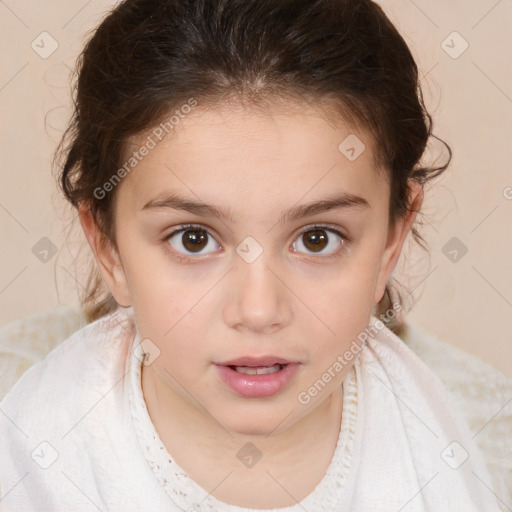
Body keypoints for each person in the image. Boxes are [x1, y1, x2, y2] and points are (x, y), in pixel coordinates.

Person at [0, 0, 505, 510]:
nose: (259, 311)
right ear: (107, 246)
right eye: (193, 239)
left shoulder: (453, 449)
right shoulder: (36, 460)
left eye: (317, 239)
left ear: (392, 238)